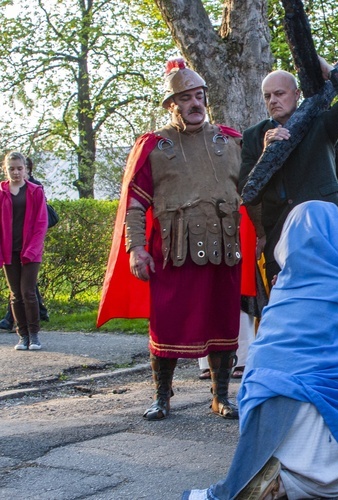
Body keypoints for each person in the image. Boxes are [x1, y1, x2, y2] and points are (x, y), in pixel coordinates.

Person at [183, 201, 338, 500]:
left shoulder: (284, 288)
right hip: (328, 441)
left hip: (269, 413)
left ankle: (270, 473)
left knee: (277, 384)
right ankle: (289, 482)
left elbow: (262, 355)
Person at [97, 58, 250, 420]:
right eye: (185, 98)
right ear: (171, 105)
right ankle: (162, 396)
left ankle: (221, 396)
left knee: (223, 322)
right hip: (172, 250)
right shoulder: (155, 146)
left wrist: (258, 241)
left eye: (199, 96)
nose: (195, 104)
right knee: (167, 323)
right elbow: (135, 205)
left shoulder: (230, 142)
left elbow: (251, 197)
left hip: (224, 248)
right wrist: (135, 248)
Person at [240, 56, 338, 284]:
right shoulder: (254, 136)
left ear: (296, 94)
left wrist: (328, 70)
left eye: (279, 93)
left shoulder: (321, 124)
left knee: (333, 298)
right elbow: (247, 191)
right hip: (280, 236)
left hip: (324, 232)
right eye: (268, 96)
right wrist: (266, 152)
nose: (273, 100)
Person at [1, 152, 47, 350]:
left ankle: (34, 335)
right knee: (15, 295)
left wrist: (32, 249)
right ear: (6, 170)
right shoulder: (1, 193)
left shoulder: (35, 191)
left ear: (26, 169)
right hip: (9, 250)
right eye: (12, 169)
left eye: (19, 168)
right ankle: (23, 336)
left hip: (30, 251)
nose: (16, 172)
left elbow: (41, 222)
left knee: (28, 293)